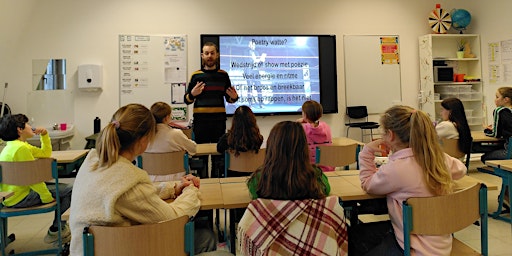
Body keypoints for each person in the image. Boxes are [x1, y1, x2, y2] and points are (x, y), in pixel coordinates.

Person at [69, 104, 216, 255]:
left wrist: (173, 188)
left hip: (86, 250)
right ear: (144, 140)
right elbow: (172, 219)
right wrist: (190, 190)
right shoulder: (127, 181)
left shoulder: (93, 164)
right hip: (128, 249)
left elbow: (137, 196)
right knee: (205, 237)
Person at [357, 105, 466, 256]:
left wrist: (366, 152)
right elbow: (461, 169)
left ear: (390, 135)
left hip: (411, 248)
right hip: (442, 243)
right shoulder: (439, 159)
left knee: (355, 236)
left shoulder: (396, 169)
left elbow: (367, 184)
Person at [239, 121, 348, 255]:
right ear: (304, 147)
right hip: (312, 244)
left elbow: (259, 204)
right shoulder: (317, 177)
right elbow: (325, 193)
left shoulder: (258, 180)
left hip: (274, 246)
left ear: (271, 147)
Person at [0, 114, 73, 245]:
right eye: (27, 124)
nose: (31, 127)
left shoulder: (12, 147)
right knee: (70, 190)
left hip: (10, 196)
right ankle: (56, 230)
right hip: (21, 196)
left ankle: (58, 229)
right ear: (19, 129)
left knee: (63, 190)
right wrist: (46, 197)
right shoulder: (22, 149)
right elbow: (33, 179)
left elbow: (45, 154)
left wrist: (44, 135)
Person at [184, 41, 238, 178]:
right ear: (202, 55)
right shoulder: (196, 75)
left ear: (217, 55)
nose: (209, 56)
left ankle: (216, 182)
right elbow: (186, 99)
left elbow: (229, 98)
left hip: (218, 121)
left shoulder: (223, 75)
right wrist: (193, 94)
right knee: (200, 157)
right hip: (201, 122)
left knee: (218, 157)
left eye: (212, 53)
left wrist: (235, 97)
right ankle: (201, 183)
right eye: (206, 53)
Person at [145, 101, 197, 182]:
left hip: (150, 180)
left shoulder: (144, 137)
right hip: (176, 180)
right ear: (166, 118)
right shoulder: (176, 134)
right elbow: (193, 150)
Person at [216, 105, 264, 177]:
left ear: (234, 121)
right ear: (252, 120)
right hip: (252, 177)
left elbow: (219, 149)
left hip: (231, 179)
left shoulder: (227, 139)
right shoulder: (258, 139)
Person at [297, 100, 334, 172]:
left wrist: (297, 122)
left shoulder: (302, 128)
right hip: (328, 168)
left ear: (304, 115)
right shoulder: (326, 126)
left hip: (309, 170)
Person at [245, 40, 266, 109]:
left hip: (256, 72)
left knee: (259, 87)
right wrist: (257, 60)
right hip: (249, 72)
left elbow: (259, 64)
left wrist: (262, 60)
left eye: (254, 45)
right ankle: (250, 104)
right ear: (249, 45)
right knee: (250, 88)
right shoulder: (246, 52)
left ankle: (261, 103)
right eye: (252, 45)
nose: (254, 46)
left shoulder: (256, 52)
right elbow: (248, 62)